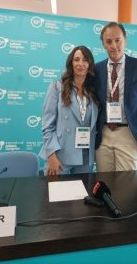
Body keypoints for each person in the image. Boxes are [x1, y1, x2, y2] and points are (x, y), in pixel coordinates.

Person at [95, 21, 137, 172]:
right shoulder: (96, 69)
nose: (113, 45)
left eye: (118, 40)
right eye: (108, 41)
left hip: (129, 134)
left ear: (125, 40)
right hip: (103, 134)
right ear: (103, 44)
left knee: (127, 186)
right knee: (104, 184)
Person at [39, 46, 99, 175]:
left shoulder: (93, 92)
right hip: (60, 156)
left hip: (86, 157)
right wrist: (51, 156)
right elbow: (47, 126)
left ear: (90, 65)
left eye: (85, 60)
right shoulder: (57, 87)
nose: (80, 64)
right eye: (76, 60)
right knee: (58, 195)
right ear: (71, 63)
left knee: (83, 195)